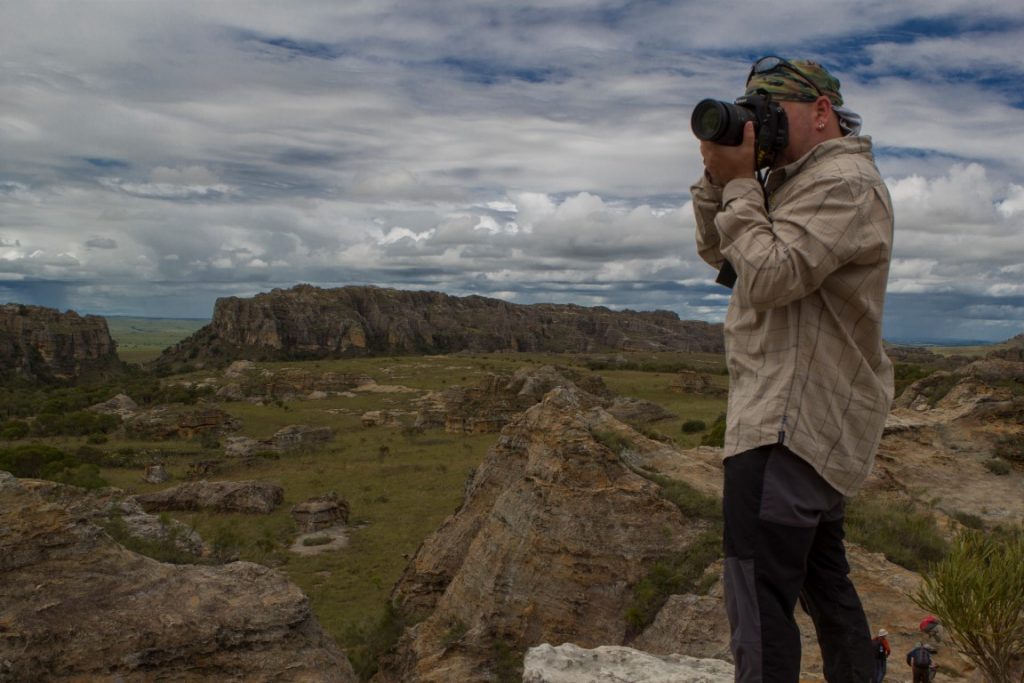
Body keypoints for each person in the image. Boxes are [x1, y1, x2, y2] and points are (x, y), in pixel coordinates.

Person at [691, 56, 894, 682]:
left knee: (757, 596)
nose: (761, 126)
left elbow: (773, 276)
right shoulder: (791, 181)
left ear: (822, 112)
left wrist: (742, 187)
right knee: (823, 586)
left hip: (786, 419)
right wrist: (719, 177)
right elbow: (719, 253)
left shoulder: (845, 184)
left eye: (772, 113)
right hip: (803, 422)